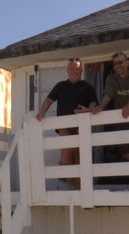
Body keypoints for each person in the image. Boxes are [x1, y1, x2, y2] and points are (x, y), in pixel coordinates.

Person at [36, 58, 97, 189]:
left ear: (81, 71)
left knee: (79, 155)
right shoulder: (60, 86)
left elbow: (93, 104)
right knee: (67, 152)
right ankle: (71, 186)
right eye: (71, 69)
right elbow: (48, 101)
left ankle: (81, 187)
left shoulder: (87, 87)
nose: (74, 72)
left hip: (81, 126)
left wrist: (87, 110)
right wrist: (41, 112)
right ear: (67, 71)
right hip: (64, 126)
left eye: (77, 69)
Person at [91, 52, 129, 163]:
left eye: (120, 62)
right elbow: (108, 94)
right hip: (122, 119)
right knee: (124, 151)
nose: (117, 66)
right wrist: (100, 107)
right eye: (115, 64)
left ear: (127, 62)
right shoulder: (111, 78)